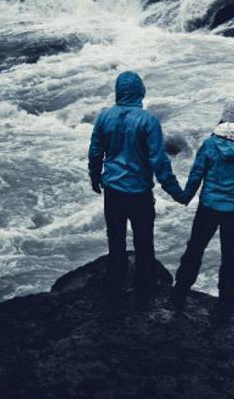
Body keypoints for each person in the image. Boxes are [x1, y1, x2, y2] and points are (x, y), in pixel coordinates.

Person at [88, 71, 184, 299]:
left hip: (112, 189)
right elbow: (159, 161)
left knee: (115, 237)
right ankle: (144, 287)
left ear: (118, 92)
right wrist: (176, 192)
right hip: (139, 192)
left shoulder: (104, 117)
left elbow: (95, 152)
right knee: (143, 240)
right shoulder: (148, 120)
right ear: (140, 91)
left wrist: (94, 177)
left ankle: (116, 283)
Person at [171, 100, 234, 314]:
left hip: (209, 207)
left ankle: (180, 290)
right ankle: (226, 299)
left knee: (195, 248)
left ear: (223, 119)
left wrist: (186, 196)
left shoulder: (210, 144)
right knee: (231, 255)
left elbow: (196, 174)